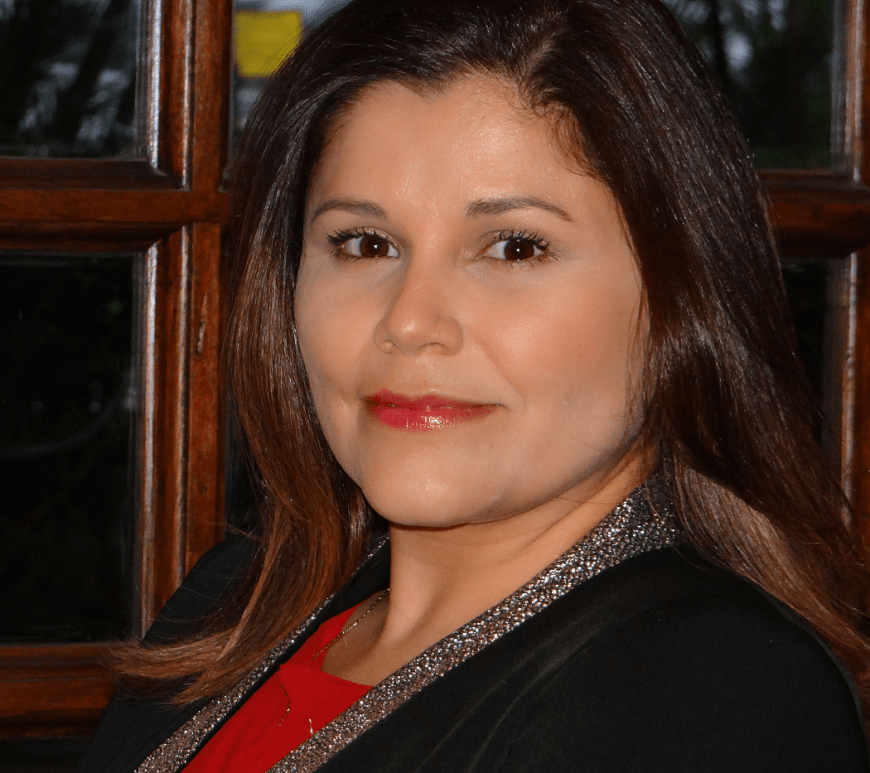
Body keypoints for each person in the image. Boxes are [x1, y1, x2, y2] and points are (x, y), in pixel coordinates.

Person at [78, 0, 870, 770]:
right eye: (365, 243)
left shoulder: (708, 690)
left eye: (514, 248)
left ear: (680, 296)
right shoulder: (234, 600)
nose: (410, 320)